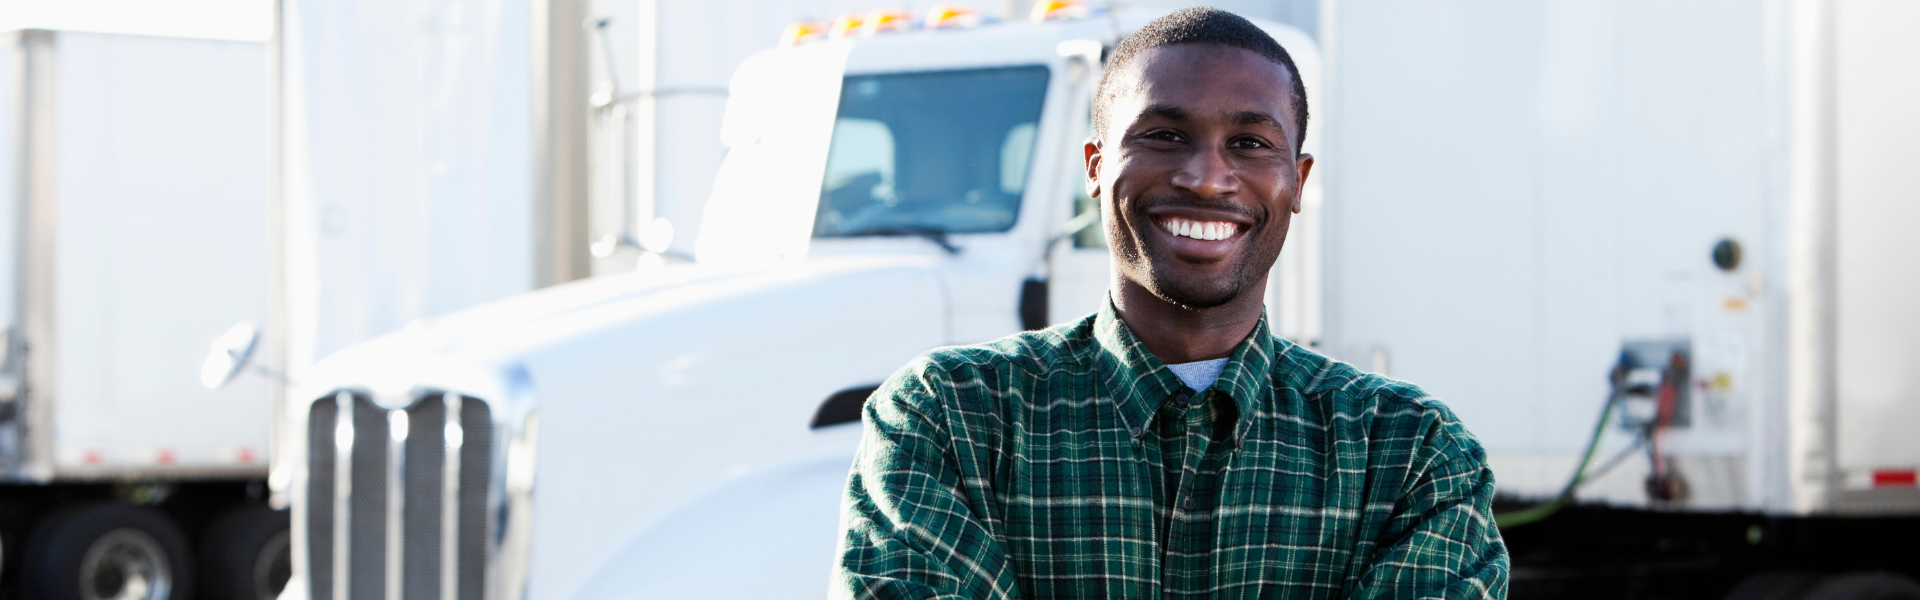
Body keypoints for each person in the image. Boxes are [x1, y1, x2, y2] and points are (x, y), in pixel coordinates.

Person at [832, 7, 1508, 599]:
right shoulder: (948, 419)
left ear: (1296, 180)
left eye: (1249, 143)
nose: (1206, 178)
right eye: (1163, 135)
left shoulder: (1410, 455)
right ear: (1096, 167)